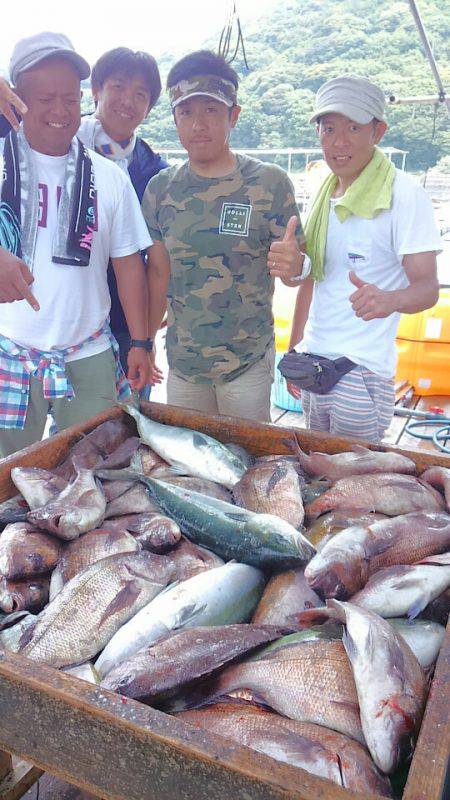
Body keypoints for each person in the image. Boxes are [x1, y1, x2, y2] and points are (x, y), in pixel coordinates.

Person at [0, 32, 152, 457]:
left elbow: (128, 265)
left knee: (93, 470)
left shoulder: (109, 176)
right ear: (16, 98)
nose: (60, 111)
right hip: (7, 352)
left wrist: (140, 342)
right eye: (44, 98)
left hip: (88, 352)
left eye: (69, 98)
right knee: (5, 476)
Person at [142, 50, 308, 422]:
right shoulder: (160, 189)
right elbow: (158, 273)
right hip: (183, 364)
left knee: (250, 462)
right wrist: (146, 340)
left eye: (211, 110)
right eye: (187, 112)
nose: (198, 124)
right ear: (174, 119)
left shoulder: (269, 183)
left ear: (234, 115)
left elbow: (297, 270)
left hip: (246, 363)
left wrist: (295, 265)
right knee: (192, 466)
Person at [287, 75, 441, 442]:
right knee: (319, 468)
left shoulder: (404, 194)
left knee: (356, 481)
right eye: (328, 129)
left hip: (361, 371)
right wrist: (295, 349)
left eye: (353, 128)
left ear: (379, 131)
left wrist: (391, 300)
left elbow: (428, 288)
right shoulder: (324, 192)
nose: (338, 142)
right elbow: (311, 279)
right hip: (315, 364)